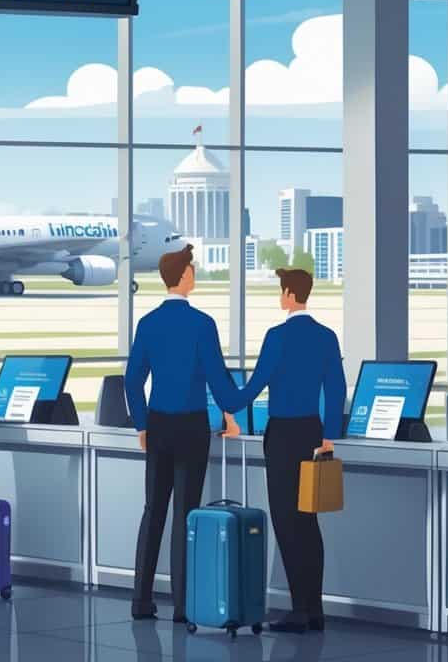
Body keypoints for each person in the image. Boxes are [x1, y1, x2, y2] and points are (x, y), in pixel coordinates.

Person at [124, 244, 245, 622]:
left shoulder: (148, 323)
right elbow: (217, 380)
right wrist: (233, 411)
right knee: (185, 514)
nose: (194, 274)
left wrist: (142, 423)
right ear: (184, 276)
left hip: (158, 424)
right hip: (192, 425)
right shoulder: (201, 324)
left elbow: (132, 381)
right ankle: (182, 604)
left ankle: (141, 601)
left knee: (153, 510)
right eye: (192, 270)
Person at [238, 268, 346, 633]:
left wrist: (227, 404)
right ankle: (313, 609)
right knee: (308, 521)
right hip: (313, 434)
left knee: (286, 521)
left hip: (283, 434)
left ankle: (300, 610)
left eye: (281, 291)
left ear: (289, 293)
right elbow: (336, 388)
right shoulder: (326, 337)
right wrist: (330, 434)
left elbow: (255, 386)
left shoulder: (277, 336)